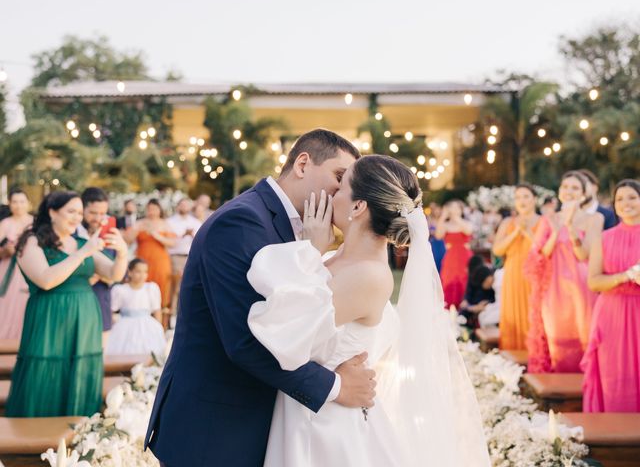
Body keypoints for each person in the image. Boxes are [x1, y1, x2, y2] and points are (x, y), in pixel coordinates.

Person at [145, 129, 376, 466]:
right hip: (215, 428)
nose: (341, 191)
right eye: (339, 177)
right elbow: (245, 340)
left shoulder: (299, 228)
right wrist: (337, 387)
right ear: (302, 164)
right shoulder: (242, 222)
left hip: (255, 423)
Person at [246, 154, 489, 466]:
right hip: (309, 409)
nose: (332, 193)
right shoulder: (342, 258)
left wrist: (309, 252)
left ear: (358, 207)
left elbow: (280, 329)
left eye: (342, 186)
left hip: (323, 427)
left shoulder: (368, 275)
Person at [6, 191, 127, 417]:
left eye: (79, 213)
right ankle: (35, 436)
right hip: (49, 318)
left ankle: (78, 434)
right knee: (45, 372)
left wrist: (121, 253)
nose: (76, 217)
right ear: (52, 211)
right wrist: (83, 253)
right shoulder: (32, 241)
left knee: (80, 372)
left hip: (85, 319)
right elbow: (46, 279)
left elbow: (113, 274)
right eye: (71, 211)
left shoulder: (81, 243)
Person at [526, 171, 603, 372]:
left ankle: (588, 386)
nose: (569, 191)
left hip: (583, 283)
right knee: (557, 333)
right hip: (554, 285)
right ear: (560, 191)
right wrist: (556, 229)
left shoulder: (595, 218)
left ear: (584, 194)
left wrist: (569, 228)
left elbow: (584, 254)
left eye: (575, 188)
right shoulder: (549, 219)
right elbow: (541, 253)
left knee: (585, 330)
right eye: (565, 187)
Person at [582, 179, 640, 412]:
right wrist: (627, 275)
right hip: (612, 315)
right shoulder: (604, 238)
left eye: (632, 197)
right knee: (614, 374)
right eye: (620, 199)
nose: (626, 203)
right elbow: (594, 281)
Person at [492, 184, 541, 350]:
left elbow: (544, 249)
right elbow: (497, 250)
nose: (522, 201)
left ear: (534, 199)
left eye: (526, 196)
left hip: (535, 276)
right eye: (518, 197)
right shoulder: (508, 222)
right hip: (513, 275)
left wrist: (527, 231)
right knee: (512, 316)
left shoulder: (543, 222)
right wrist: (515, 233)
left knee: (533, 317)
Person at [105, 258, 167, 356]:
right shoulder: (121, 290)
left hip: (147, 324)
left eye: (145, 272)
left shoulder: (150, 288)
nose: (142, 275)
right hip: (125, 325)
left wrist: (158, 328)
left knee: (149, 350)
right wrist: (113, 324)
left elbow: (157, 310)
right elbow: (111, 310)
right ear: (129, 272)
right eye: (138, 272)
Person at [129, 200, 176, 323]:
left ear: (159, 210)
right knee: (140, 286)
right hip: (142, 260)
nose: (152, 212)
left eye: (155, 209)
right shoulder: (139, 223)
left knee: (160, 288)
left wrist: (156, 234)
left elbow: (172, 243)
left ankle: (159, 321)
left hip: (160, 261)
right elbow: (128, 240)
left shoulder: (164, 224)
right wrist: (136, 230)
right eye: (149, 209)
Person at [78, 187, 114, 339]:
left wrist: (104, 275)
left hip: (101, 303)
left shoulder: (110, 235)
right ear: (82, 209)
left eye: (102, 213)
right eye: (93, 213)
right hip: (76, 306)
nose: (98, 218)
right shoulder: (71, 236)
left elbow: (118, 273)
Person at [0, 189, 33, 339]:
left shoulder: (35, 223)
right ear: (10, 204)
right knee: (6, 306)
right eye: (15, 202)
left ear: (28, 204)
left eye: (22, 201)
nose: (18, 205)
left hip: (30, 270)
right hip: (8, 272)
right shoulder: (5, 224)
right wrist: (6, 251)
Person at [166, 197, 201, 322]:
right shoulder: (170, 222)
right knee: (175, 287)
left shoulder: (196, 222)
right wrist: (183, 235)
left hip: (190, 257)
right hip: (175, 256)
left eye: (187, 205)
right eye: (182, 205)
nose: (184, 207)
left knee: (188, 287)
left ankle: (186, 315)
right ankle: (172, 316)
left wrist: (191, 235)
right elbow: (169, 241)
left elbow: (200, 241)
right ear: (178, 206)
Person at [436, 200, 473, 308]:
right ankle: (450, 306)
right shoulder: (446, 225)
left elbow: (468, 231)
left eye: (458, 208)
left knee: (465, 279)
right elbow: (438, 235)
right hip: (451, 257)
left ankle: (464, 306)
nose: (455, 210)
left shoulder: (466, 223)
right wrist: (443, 216)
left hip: (464, 256)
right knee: (449, 279)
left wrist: (456, 217)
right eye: (452, 207)